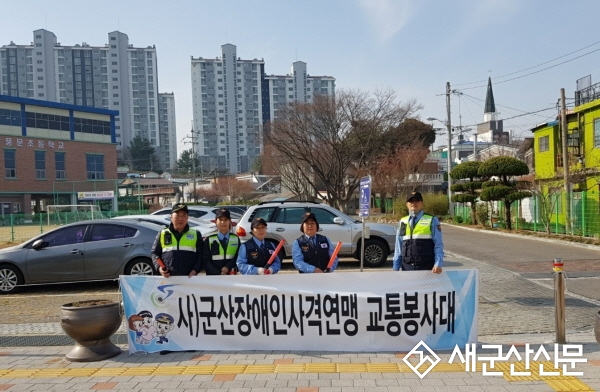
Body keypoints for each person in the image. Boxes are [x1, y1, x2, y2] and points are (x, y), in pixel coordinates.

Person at [392, 191, 444, 273]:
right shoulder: (403, 221)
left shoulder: (432, 220)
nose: (414, 203)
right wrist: (396, 266)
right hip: (407, 267)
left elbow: (438, 244)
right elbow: (399, 245)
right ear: (407, 204)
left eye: (417, 200)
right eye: (411, 201)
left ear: (422, 203)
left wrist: (438, 263)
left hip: (426, 267)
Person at [151, 203, 203, 277]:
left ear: (187, 217)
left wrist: (195, 270)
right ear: (171, 217)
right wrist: (159, 268)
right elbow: (154, 253)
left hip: (189, 279)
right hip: (168, 278)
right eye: (177, 215)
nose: (180, 219)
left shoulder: (195, 234)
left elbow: (201, 255)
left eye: (183, 215)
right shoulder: (162, 233)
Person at [203, 208, 240, 275]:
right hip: (213, 277)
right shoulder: (209, 239)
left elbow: (238, 258)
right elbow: (206, 261)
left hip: (231, 276)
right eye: (220, 220)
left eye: (226, 219)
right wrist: (218, 273)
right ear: (216, 222)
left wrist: (227, 267)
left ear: (230, 222)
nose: (223, 222)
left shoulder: (236, 239)